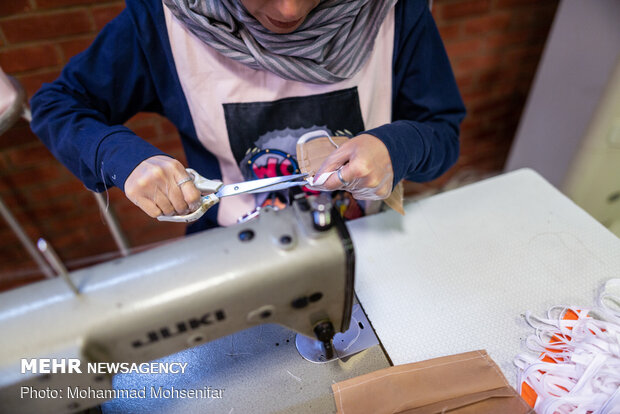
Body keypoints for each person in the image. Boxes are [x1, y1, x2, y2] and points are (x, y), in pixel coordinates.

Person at [31, 0, 465, 233]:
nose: (290, 11)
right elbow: (58, 105)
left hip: (370, 237)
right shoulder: (162, 21)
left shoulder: (395, 10)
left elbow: (442, 132)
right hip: (231, 246)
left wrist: (399, 146)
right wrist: (119, 156)